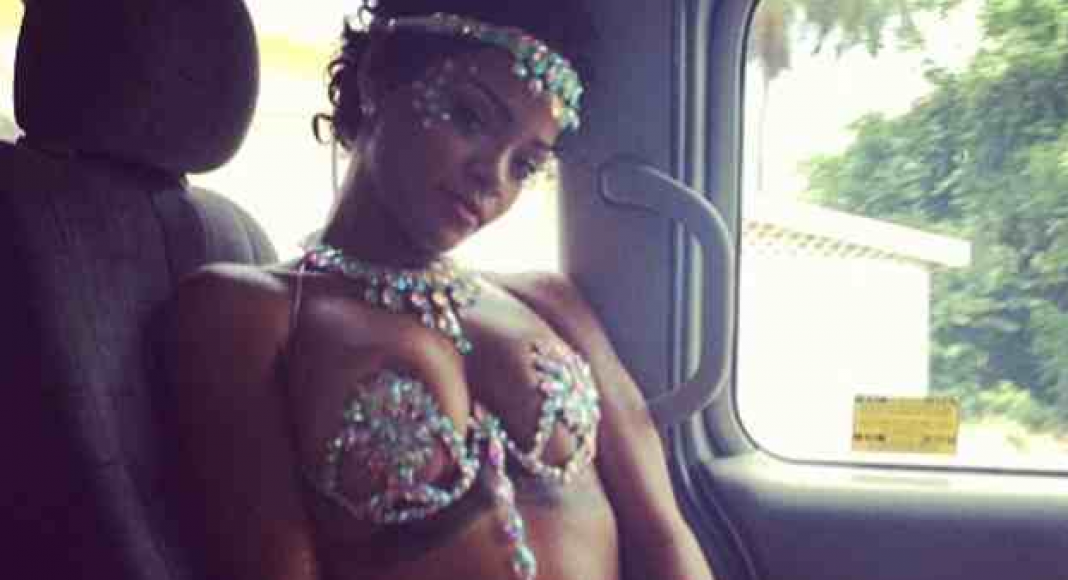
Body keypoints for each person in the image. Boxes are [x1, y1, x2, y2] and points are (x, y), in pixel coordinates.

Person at [163, 2, 714, 579]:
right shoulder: (249, 313)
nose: (493, 177)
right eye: (470, 117)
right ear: (379, 77)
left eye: (525, 165)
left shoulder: (552, 303)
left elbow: (662, 532)